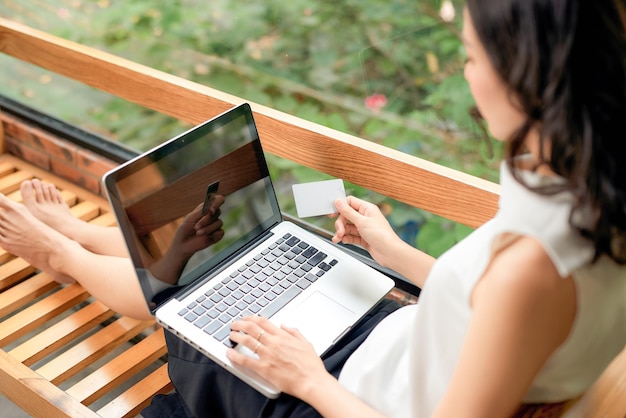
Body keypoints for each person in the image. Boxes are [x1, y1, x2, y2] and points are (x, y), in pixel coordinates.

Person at [0, 0, 625, 416]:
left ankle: (62, 249)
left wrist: (306, 380)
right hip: (393, 342)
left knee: (179, 309)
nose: (465, 74)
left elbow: (520, 297)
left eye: (471, 55)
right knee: (237, 258)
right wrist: (396, 253)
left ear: (525, 73)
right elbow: (503, 313)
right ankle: (77, 233)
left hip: (351, 394)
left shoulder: (536, 266)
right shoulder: (583, 185)